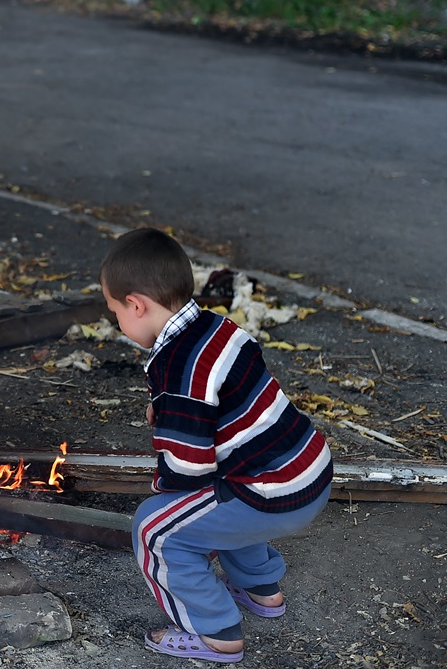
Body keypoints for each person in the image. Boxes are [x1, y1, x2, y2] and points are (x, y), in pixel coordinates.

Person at [99, 228, 333, 664]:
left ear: (136, 304)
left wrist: (162, 488)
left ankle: (214, 632)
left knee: (156, 528)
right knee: (221, 498)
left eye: (115, 312)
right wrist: (167, 413)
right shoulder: (217, 328)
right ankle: (261, 589)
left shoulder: (178, 371)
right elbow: (223, 401)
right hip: (307, 468)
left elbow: (187, 470)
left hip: (273, 493)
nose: (118, 321)